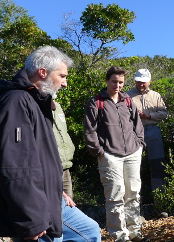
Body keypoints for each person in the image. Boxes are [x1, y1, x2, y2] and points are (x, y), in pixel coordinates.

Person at [0, 46, 71, 242]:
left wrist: (58, 189)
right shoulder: (17, 101)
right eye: (62, 76)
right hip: (33, 209)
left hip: (50, 196)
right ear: (43, 72)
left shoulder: (36, 101)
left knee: (89, 231)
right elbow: (16, 166)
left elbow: (40, 156)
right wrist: (31, 220)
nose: (64, 84)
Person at [84, 67, 148, 242]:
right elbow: (90, 130)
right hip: (110, 156)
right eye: (114, 81)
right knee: (115, 195)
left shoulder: (127, 100)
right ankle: (120, 236)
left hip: (133, 153)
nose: (118, 85)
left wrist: (140, 143)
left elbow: (137, 124)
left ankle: (135, 232)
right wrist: (99, 151)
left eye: (121, 82)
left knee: (134, 193)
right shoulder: (96, 102)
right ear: (107, 81)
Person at [53, 101, 102, 242]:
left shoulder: (57, 106)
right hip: (50, 170)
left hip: (65, 166)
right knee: (55, 220)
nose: (64, 84)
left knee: (68, 211)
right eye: (61, 77)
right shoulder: (33, 105)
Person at [127, 69, 169, 191]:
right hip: (134, 132)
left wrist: (149, 116)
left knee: (157, 163)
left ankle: (159, 197)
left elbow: (164, 113)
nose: (141, 84)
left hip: (153, 130)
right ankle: (135, 199)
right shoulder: (127, 96)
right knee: (133, 165)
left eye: (143, 82)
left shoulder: (156, 95)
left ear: (149, 82)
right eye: (138, 82)